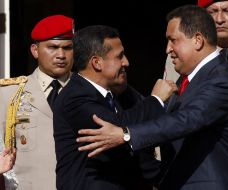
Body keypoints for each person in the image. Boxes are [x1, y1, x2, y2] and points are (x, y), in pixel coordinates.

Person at [77, 5, 228, 190]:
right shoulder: (186, 79)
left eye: (173, 40)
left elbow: (185, 120)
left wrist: (126, 134)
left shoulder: (221, 79)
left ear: (197, 40)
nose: (168, 49)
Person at [53, 25, 177, 190]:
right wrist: (156, 99)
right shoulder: (74, 97)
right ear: (97, 63)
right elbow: (116, 126)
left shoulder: (116, 94)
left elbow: (136, 149)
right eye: (119, 56)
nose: (126, 62)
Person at [164, 0, 228, 154]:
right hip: (200, 165)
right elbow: (169, 111)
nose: (219, 19)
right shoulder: (179, 57)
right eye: (211, 12)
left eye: (227, 10)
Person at [0, 14, 74, 189]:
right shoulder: (8, 94)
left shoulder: (89, 91)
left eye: (68, 48)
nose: (61, 55)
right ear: (35, 50)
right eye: (53, 47)